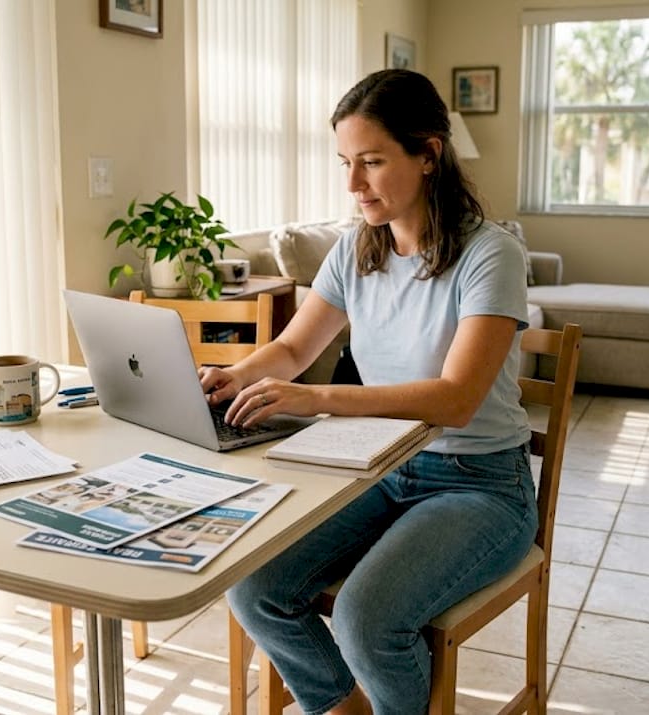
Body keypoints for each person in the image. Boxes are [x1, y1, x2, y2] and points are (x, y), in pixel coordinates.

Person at [199, 69, 536, 714]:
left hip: (479, 483)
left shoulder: (490, 254)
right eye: (346, 163)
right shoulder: (356, 249)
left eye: (373, 162)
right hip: (379, 467)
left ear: (429, 154)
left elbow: (454, 400)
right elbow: (295, 348)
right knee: (253, 584)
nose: (353, 185)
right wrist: (239, 375)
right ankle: (343, 708)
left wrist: (319, 399)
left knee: (365, 619)